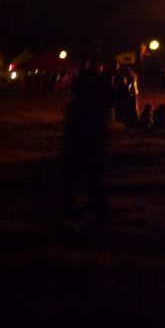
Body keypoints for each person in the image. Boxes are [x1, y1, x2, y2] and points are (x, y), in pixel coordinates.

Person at [61, 61, 110, 222]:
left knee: (78, 180)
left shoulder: (79, 106)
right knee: (92, 180)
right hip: (89, 148)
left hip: (81, 147)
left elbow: (71, 129)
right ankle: (95, 208)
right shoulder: (94, 106)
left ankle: (76, 208)